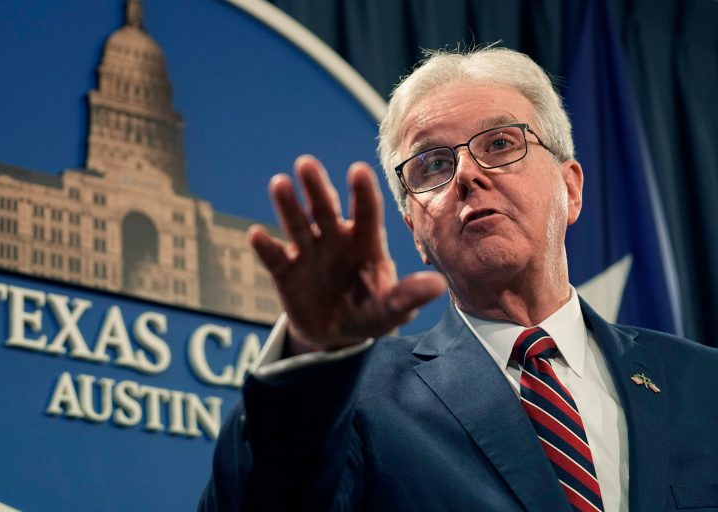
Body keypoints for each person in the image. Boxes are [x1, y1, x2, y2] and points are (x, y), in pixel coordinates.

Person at [199, 47, 718, 512]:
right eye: (431, 165)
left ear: (571, 188)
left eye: (500, 143)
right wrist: (314, 352)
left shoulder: (702, 385)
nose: (467, 174)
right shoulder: (358, 401)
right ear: (415, 232)